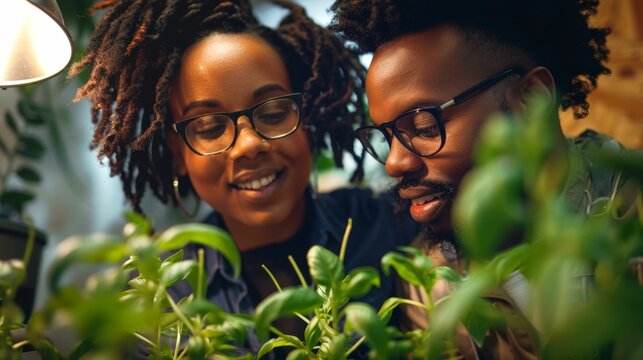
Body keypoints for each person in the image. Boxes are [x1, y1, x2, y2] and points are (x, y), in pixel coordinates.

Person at [69, 0, 417, 356]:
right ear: (179, 155)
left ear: (305, 118)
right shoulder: (162, 296)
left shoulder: (391, 225)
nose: (249, 145)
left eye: (274, 111)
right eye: (209, 126)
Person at [331, 0, 638, 358]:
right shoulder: (425, 288)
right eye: (385, 137)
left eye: (424, 127)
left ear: (532, 100)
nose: (395, 163)